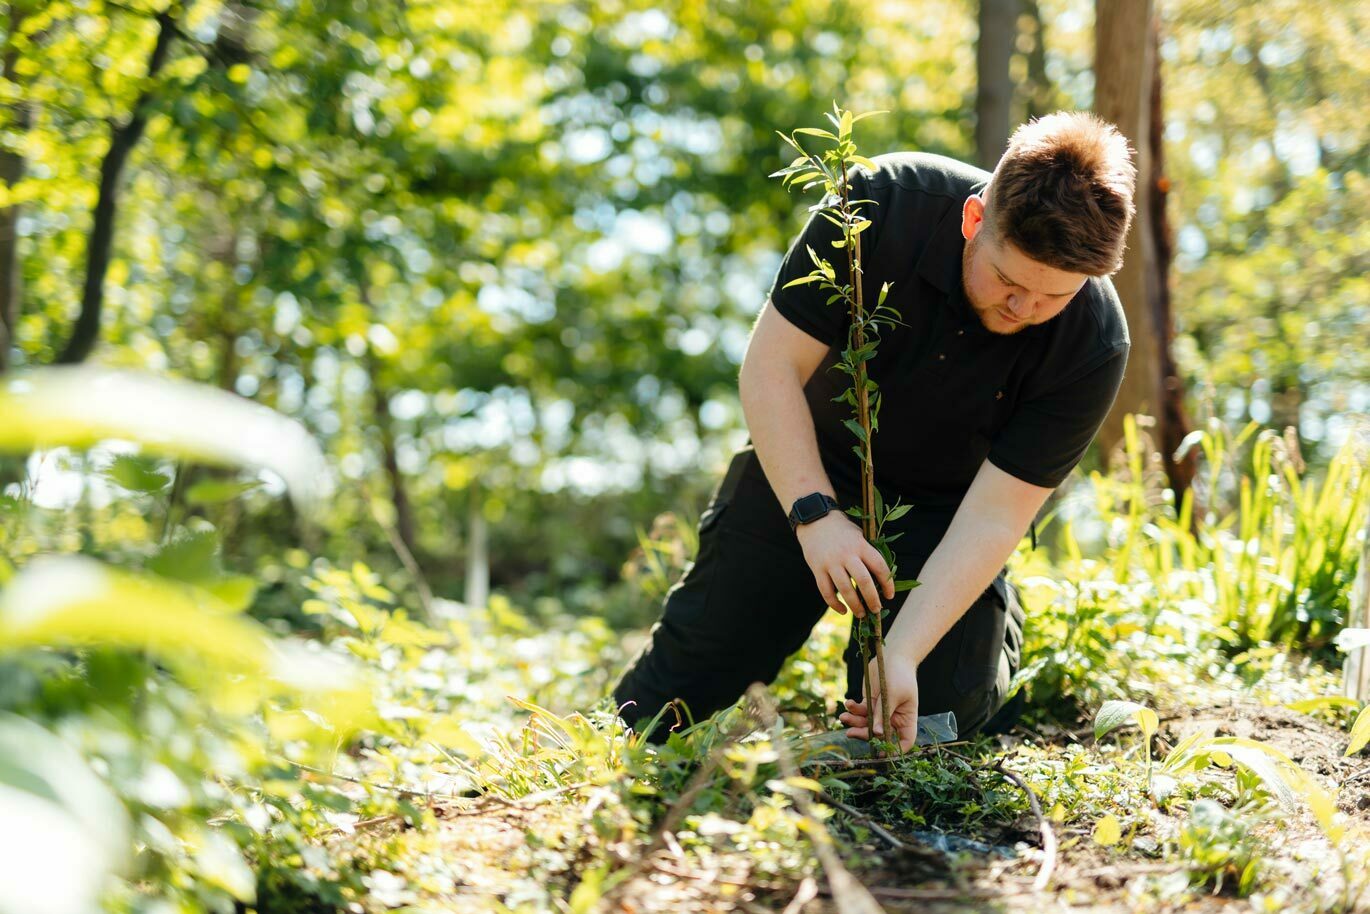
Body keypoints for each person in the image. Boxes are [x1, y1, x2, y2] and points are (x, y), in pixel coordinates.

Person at [612, 111, 1136, 750]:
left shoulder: (1094, 342)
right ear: (975, 220)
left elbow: (997, 516)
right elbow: (770, 367)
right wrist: (814, 515)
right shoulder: (877, 206)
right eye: (1007, 280)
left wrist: (904, 651)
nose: (1023, 309)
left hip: (947, 518)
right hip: (806, 469)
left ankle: (991, 634)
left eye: (1052, 297)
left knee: (931, 717)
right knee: (665, 708)